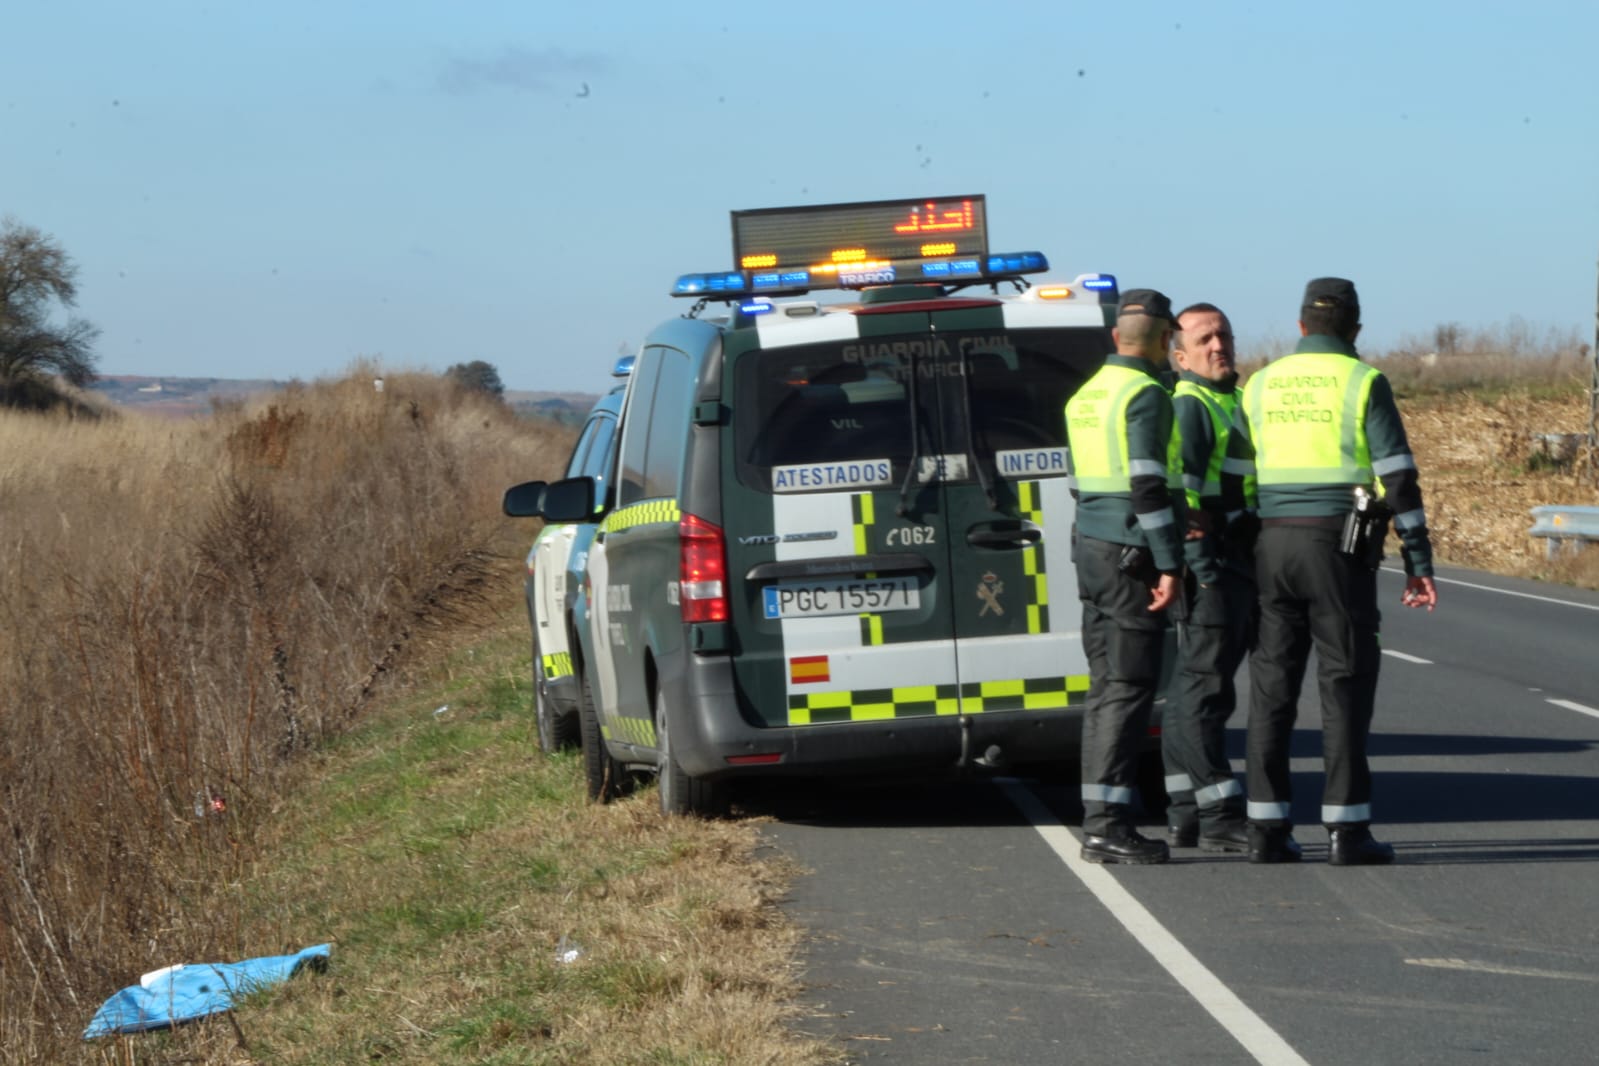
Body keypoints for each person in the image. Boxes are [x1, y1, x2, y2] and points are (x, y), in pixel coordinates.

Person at [1236, 278, 1439, 865]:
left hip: (1272, 543)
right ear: (1355, 329)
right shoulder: (1364, 381)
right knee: (1344, 682)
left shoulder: (1261, 383)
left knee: (1271, 687)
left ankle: (1266, 830)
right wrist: (1418, 560)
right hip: (1337, 547)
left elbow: (1235, 475)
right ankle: (1347, 831)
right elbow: (1398, 476)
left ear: (1301, 327)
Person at [1065, 288, 1186, 864]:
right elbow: (1147, 486)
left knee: (1105, 685)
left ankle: (1099, 818)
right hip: (1127, 548)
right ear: (1166, 340)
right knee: (1131, 687)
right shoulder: (1146, 393)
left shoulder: (1086, 395)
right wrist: (1168, 562)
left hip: (1088, 544)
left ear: (1117, 337)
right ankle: (1107, 825)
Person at [1162, 303, 1254, 852]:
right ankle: (1220, 810)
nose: (1219, 346)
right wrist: (1205, 571)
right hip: (1215, 567)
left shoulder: (1232, 400)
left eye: (1223, 335)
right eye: (1204, 340)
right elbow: (1187, 495)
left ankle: (1183, 809)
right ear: (1180, 357)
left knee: (1192, 691)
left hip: (1234, 561)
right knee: (1205, 693)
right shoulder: (1191, 404)